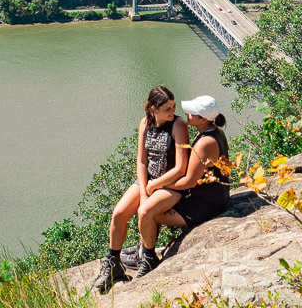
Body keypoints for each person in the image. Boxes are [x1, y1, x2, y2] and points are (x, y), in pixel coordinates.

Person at [92, 85, 189, 294]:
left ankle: (149, 257)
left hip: (170, 184)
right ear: (153, 108)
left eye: (173, 107)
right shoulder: (145, 123)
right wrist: (145, 190)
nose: (172, 112)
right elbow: (142, 161)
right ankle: (113, 262)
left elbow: (181, 167)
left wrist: (155, 185)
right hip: (148, 180)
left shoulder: (178, 126)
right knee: (118, 213)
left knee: (144, 212)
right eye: (167, 109)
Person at [133, 94, 230, 278]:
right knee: (152, 206)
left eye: (192, 112)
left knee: (148, 212)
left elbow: (188, 181)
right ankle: (144, 250)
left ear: (202, 119)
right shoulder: (213, 132)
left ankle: (148, 256)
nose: (186, 113)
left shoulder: (205, 143)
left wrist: (156, 184)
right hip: (210, 197)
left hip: (205, 204)